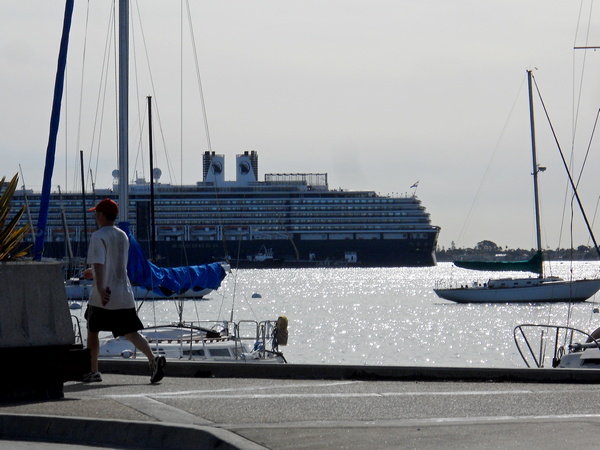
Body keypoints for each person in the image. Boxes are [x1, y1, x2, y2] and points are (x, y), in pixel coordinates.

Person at [82, 198, 166, 384]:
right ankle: (153, 360)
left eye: (96, 213)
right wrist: (94, 273)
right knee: (131, 332)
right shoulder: (123, 235)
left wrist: (101, 286)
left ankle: (93, 371)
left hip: (103, 296)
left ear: (102, 215)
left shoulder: (98, 236)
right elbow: (113, 264)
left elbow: (99, 263)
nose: (95, 216)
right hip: (124, 294)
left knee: (92, 331)